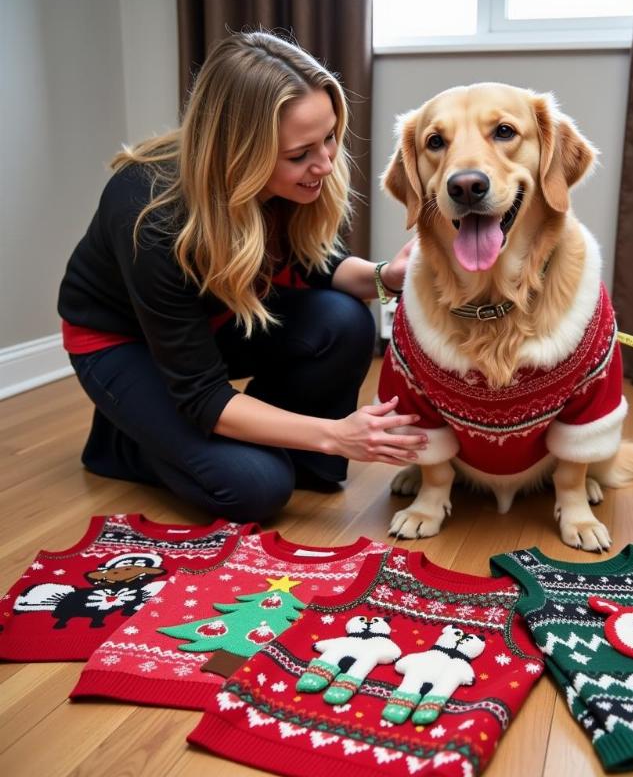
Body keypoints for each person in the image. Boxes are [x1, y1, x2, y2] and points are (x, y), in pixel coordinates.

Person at [57, 30, 426, 524]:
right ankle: (124, 441)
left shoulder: (290, 182)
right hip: (122, 343)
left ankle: (281, 453)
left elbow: (314, 262)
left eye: (331, 136)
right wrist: (335, 433)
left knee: (344, 320)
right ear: (240, 153)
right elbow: (202, 393)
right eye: (300, 155)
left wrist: (389, 276)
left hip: (210, 322)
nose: (325, 163)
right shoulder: (148, 211)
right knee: (257, 487)